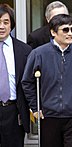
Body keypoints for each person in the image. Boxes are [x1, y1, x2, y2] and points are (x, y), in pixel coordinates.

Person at [22, 14, 72, 147]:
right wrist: (35, 107)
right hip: (49, 116)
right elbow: (27, 82)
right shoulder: (39, 54)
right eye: (65, 30)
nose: (70, 33)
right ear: (53, 32)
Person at [0, 4, 32, 147]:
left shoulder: (24, 50)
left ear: (11, 24)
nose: (1, 26)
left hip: (14, 112)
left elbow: (29, 82)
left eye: (5, 22)